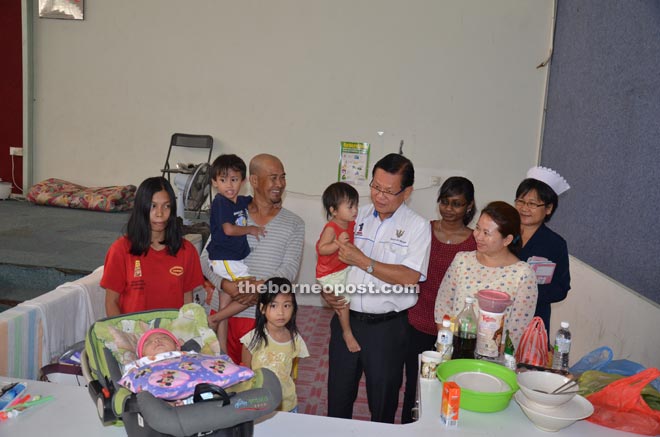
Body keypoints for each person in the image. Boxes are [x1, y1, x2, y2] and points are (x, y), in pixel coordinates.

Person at [323, 153, 431, 423]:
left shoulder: (417, 227)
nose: (380, 196)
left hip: (387, 329)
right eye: (375, 187)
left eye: (389, 191)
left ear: (407, 192)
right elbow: (331, 260)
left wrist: (365, 262)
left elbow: (410, 276)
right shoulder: (354, 216)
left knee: (382, 401)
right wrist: (327, 290)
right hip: (345, 320)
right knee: (338, 397)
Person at [203, 154, 304, 364]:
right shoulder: (230, 211)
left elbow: (289, 270)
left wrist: (258, 290)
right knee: (217, 386)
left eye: (282, 177)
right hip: (221, 314)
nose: (280, 184)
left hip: (261, 318)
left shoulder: (294, 223)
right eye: (273, 178)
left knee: (256, 389)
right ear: (254, 181)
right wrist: (225, 284)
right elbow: (206, 257)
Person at [401, 176, 477, 424]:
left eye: (456, 203)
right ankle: (410, 427)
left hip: (453, 327)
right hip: (417, 318)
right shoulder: (425, 230)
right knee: (415, 383)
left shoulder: (476, 241)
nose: (449, 209)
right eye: (444, 201)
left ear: (469, 206)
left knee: (449, 383)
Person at [434, 201, 538, 348]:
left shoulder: (522, 274)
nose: (478, 236)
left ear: (507, 240)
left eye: (486, 233)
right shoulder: (462, 260)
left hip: (493, 358)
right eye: (477, 228)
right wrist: (447, 344)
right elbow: (443, 305)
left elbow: (517, 329)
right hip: (453, 348)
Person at [102, 177, 204, 317]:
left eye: (166, 206)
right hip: (134, 335)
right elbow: (111, 302)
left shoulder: (187, 251)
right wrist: (123, 336)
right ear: (141, 208)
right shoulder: (120, 250)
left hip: (171, 335)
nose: (160, 213)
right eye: (153, 206)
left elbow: (187, 301)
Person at [206, 154, 266, 352]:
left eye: (234, 179)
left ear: (243, 180)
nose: (229, 185)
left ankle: (222, 349)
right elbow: (228, 230)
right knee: (254, 289)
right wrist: (251, 229)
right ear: (215, 182)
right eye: (223, 180)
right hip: (224, 259)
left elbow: (257, 200)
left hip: (232, 259)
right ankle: (213, 319)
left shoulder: (239, 201)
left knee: (225, 305)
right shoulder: (221, 202)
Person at [515, 166, 571, 336]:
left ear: (548, 208)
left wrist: (527, 295)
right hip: (498, 314)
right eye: (521, 201)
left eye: (532, 204)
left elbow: (561, 288)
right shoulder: (503, 233)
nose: (524, 208)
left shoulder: (555, 244)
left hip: (534, 319)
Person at [240, 277, 309, 413]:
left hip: (287, 405)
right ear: (262, 309)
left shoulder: (295, 340)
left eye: (286, 305)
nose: (281, 312)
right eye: (273, 305)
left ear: (294, 308)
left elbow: (290, 373)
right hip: (259, 404)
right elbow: (245, 375)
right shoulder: (252, 339)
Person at [316, 182, 360, 352]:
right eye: (350, 207)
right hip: (329, 273)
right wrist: (337, 243)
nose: (355, 210)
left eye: (356, 205)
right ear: (333, 210)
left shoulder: (350, 223)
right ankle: (346, 332)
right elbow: (322, 248)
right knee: (343, 301)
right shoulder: (331, 228)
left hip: (342, 267)